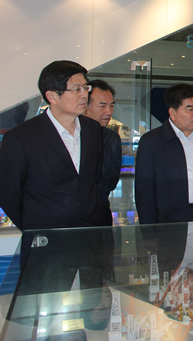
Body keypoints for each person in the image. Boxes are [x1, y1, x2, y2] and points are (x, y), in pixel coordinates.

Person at [0, 60, 110, 232]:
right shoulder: (21, 138)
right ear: (52, 96)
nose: (84, 95)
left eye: (85, 87)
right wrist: (35, 228)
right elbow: (9, 194)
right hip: (47, 236)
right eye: (76, 89)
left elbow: (94, 179)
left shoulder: (93, 129)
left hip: (91, 234)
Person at [135, 83, 193, 223]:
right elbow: (144, 193)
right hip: (172, 219)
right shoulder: (151, 141)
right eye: (189, 109)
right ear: (172, 113)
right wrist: (150, 231)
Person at [84, 79, 122, 211]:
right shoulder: (71, 137)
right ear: (85, 106)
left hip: (101, 207)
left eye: (111, 106)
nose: (108, 112)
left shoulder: (112, 139)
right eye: (102, 106)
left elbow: (112, 180)